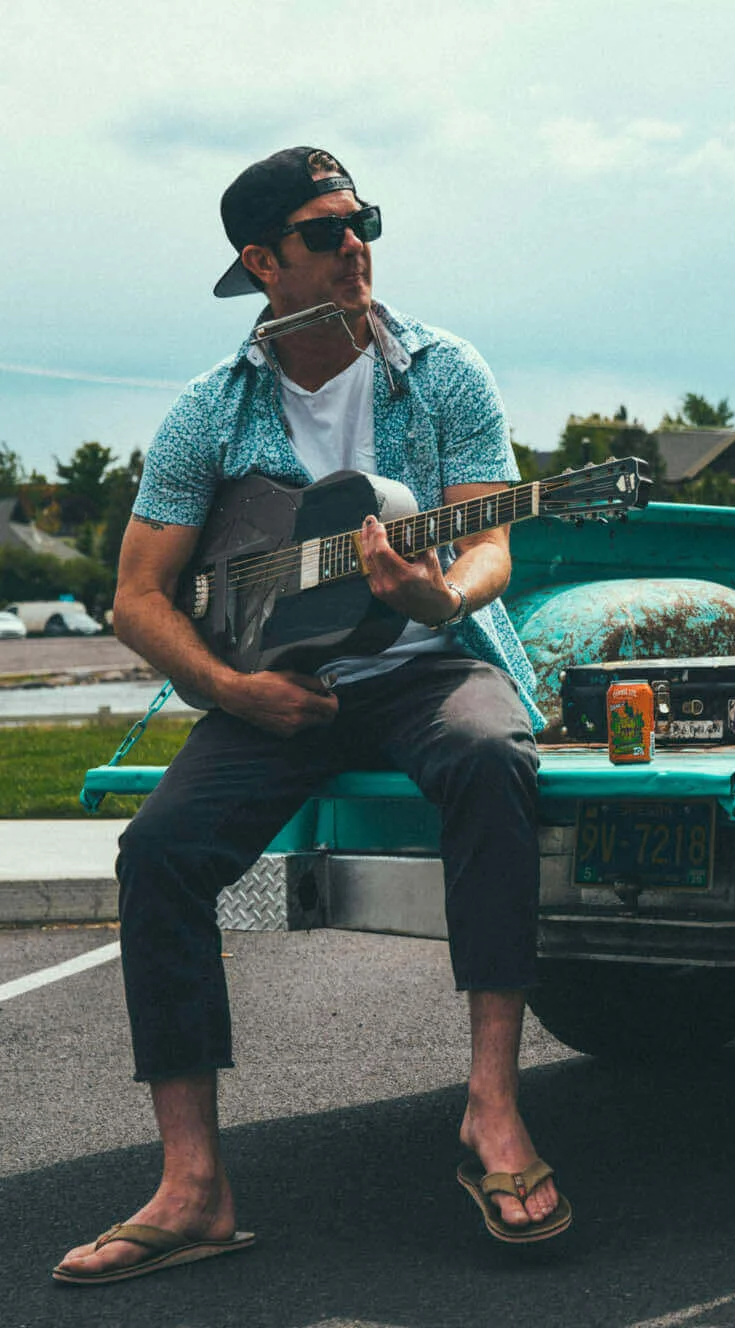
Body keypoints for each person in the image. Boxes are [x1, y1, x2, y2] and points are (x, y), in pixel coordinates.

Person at [56, 146, 568, 1285]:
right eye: (327, 231)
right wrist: (230, 688)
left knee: (492, 757)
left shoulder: (443, 370)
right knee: (160, 850)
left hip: (429, 661)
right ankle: (193, 1186)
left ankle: (493, 1111)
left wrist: (439, 595)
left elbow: (490, 538)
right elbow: (139, 597)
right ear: (262, 260)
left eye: (363, 222)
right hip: (276, 683)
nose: (355, 247)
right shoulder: (210, 410)